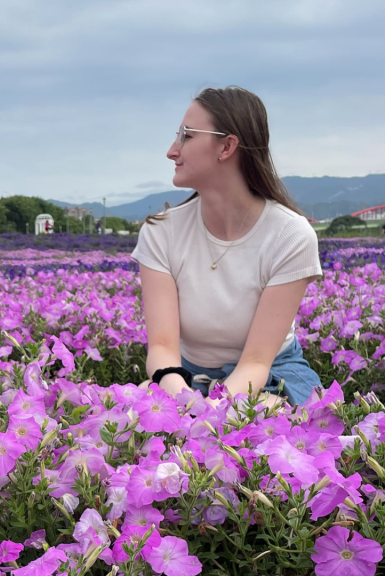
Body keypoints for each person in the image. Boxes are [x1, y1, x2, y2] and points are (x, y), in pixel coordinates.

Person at [132, 86, 323, 409]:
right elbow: (162, 348)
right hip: (183, 376)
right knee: (138, 420)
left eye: (186, 136)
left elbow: (256, 364)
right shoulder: (160, 231)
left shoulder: (291, 235)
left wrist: (210, 414)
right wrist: (185, 402)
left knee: (257, 419)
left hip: (270, 375)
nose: (171, 150)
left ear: (227, 146)